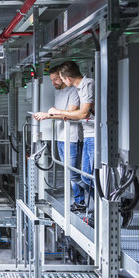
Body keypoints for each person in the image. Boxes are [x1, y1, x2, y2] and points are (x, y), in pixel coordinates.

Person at [33, 65, 85, 212]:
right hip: (60, 137)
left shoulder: (74, 91)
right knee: (70, 172)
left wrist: (47, 115)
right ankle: (80, 201)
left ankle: (83, 201)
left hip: (72, 137)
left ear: (63, 77)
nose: (54, 82)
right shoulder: (59, 92)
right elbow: (58, 113)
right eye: (52, 80)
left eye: (56, 79)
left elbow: (71, 113)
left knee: (74, 173)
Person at [48, 61, 95, 202]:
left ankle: (107, 206)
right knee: (85, 176)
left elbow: (82, 114)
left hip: (93, 135)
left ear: (67, 78)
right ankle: (94, 206)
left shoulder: (87, 85)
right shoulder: (81, 88)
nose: (58, 82)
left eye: (59, 78)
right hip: (88, 135)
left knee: (86, 176)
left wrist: (56, 112)